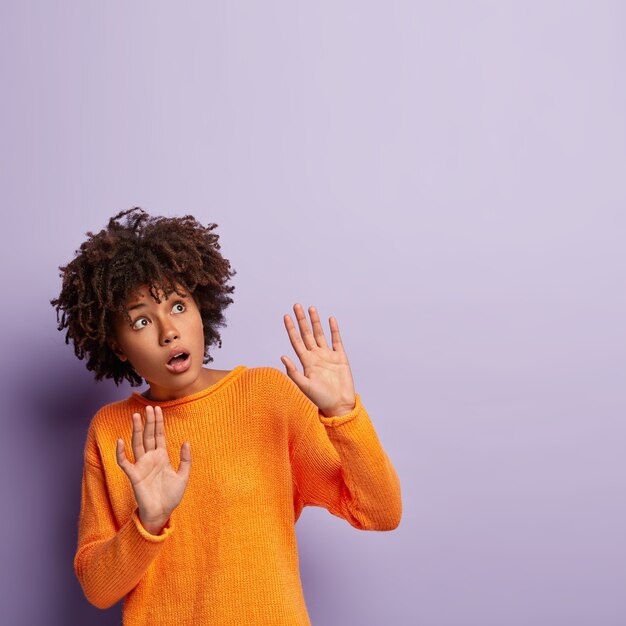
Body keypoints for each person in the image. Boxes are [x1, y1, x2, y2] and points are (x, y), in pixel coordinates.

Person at [52, 207, 402, 626]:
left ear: (201, 310)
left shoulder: (265, 396)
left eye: (178, 306)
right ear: (117, 345)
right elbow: (98, 590)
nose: (168, 331)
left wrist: (343, 414)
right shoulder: (112, 431)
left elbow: (380, 513)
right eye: (141, 320)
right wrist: (149, 520)